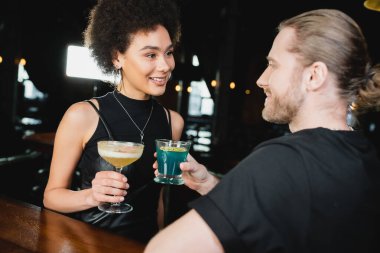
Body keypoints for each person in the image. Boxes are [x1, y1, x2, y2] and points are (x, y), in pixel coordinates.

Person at [145, 9, 380, 253]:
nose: (261, 79)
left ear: (314, 76)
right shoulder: (363, 154)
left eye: (273, 65)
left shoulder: (283, 160)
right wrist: (214, 185)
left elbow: (161, 249)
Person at [43, 0, 183, 243]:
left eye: (168, 53)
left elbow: (157, 198)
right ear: (117, 56)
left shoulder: (173, 122)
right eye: (151, 54)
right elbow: (51, 197)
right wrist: (90, 197)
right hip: (89, 244)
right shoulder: (82, 115)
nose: (165, 65)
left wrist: (159, 242)